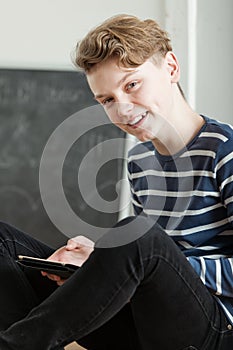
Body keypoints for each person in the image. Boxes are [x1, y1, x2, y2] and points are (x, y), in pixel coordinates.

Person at [0, 13, 233, 350]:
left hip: (215, 330)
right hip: (149, 323)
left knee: (137, 238)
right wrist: (100, 265)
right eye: (107, 100)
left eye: (132, 85)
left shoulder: (224, 150)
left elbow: (154, 256)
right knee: (4, 240)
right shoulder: (140, 161)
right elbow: (152, 262)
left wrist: (126, 261)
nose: (122, 110)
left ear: (170, 68)